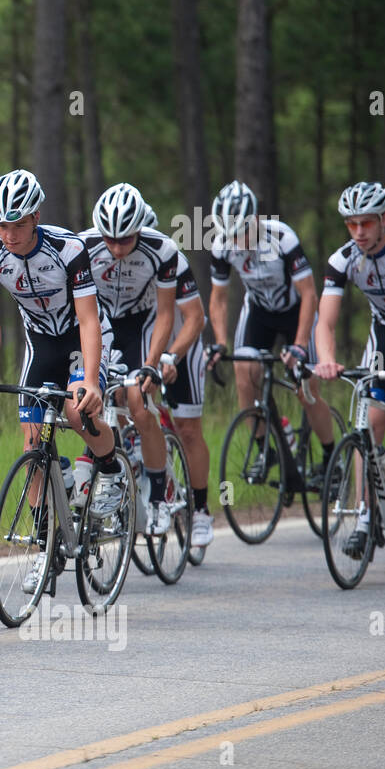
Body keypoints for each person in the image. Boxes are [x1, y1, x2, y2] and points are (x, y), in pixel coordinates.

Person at [0, 169, 123, 595]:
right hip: (41, 343)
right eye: (1, 224)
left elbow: (89, 317)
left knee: (78, 410)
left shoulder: (69, 248)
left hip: (82, 337)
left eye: (18, 223)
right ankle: (44, 549)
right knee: (31, 440)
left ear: (36, 216)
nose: (9, 234)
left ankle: (109, 467)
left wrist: (90, 379)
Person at [312, 181, 385, 556]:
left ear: (384, 220)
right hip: (383, 332)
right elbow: (325, 322)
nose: (358, 232)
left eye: (366, 223)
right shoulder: (342, 259)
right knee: (369, 422)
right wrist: (326, 359)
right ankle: (366, 515)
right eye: (351, 224)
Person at [206, 180, 336, 482]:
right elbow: (219, 298)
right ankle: (268, 448)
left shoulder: (282, 237)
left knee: (307, 389)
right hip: (260, 312)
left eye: (240, 232)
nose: (235, 240)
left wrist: (301, 344)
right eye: (229, 233)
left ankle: (331, 457)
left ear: (254, 220)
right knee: (244, 371)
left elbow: (309, 295)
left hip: (296, 312)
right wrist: (221, 342)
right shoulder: (222, 244)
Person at [80, 183, 178, 536]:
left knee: (137, 398)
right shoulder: (84, 246)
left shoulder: (162, 249)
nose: (117, 247)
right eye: (110, 239)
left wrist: (153, 362)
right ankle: (118, 464)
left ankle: (158, 497)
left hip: (142, 323)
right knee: (92, 398)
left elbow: (166, 314)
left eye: (125, 239)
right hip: (101, 324)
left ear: (140, 229)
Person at [144, 203, 215, 549]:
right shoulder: (106, 261)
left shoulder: (171, 259)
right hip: (144, 343)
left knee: (188, 429)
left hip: (179, 345)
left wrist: (172, 356)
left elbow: (195, 318)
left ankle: (200, 509)